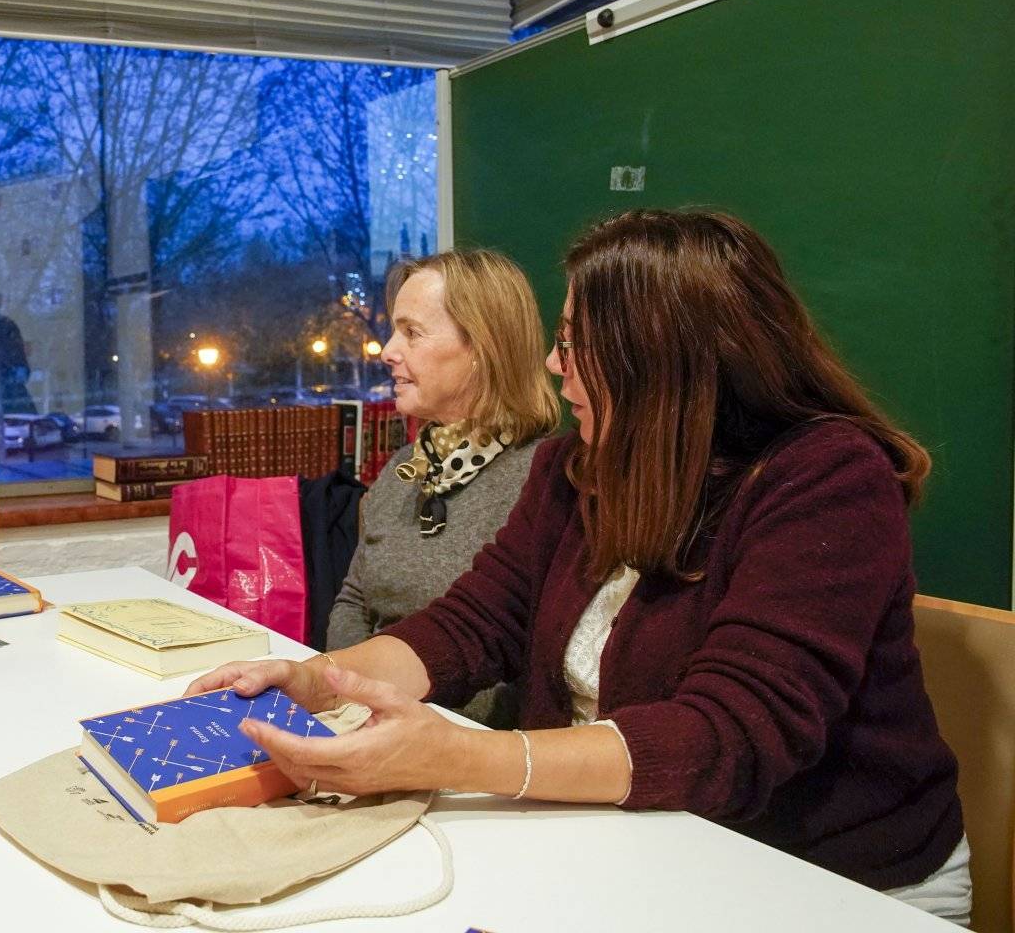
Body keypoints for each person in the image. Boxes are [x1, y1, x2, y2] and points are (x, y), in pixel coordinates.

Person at [189, 210, 969, 923]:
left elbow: (729, 735)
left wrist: (463, 756)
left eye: (574, 343)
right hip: (640, 848)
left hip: (826, 880)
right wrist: (316, 681)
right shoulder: (576, 467)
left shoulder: (826, 477)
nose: (554, 364)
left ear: (659, 358)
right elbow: (472, 624)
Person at [325, 249, 559, 727]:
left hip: (474, 743)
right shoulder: (403, 469)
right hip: (369, 718)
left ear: (484, 348)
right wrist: (353, 699)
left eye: (412, 332)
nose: (388, 351)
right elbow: (354, 600)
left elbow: (533, 662)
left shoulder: (547, 482)